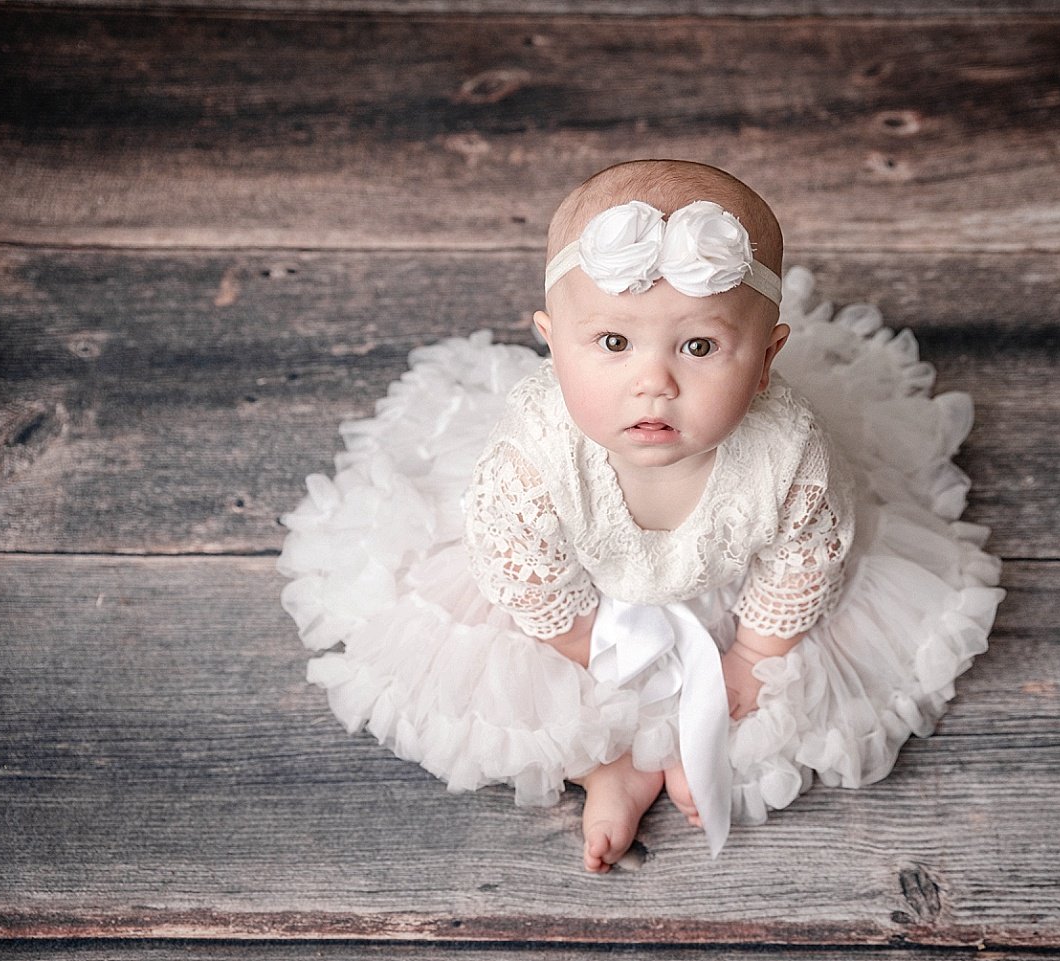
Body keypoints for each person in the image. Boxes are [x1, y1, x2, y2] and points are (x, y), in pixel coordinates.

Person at [279, 159, 1004, 874]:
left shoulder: (788, 453)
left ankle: (700, 743)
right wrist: (599, 648)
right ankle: (613, 764)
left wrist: (751, 655)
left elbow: (803, 556)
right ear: (553, 343)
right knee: (536, 684)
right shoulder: (532, 456)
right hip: (568, 603)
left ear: (764, 359)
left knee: (781, 673)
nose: (653, 381)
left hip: (735, 581)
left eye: (698, 346)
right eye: (614, 343)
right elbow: (521, 571)